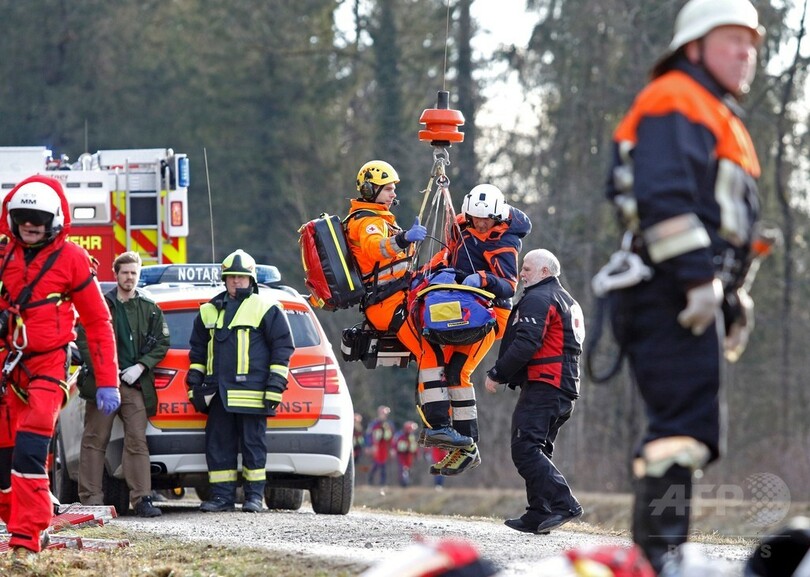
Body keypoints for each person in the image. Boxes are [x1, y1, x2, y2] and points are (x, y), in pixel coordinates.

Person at [603, 0, 764, 571]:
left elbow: (721, 217)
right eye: (731, 40)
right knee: (679, 428)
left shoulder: (713, 110)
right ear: (693, 47)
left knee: (689, 428)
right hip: (668, 286)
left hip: (684, 285)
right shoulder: (676, 98)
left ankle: (664, 550)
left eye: (750, 43)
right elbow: (665, 196)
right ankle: (659, 554)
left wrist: (730, 292)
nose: (745, 53)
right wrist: (699, 279)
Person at [0, 175, 120, 557]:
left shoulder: (72, 259)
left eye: (37, 218)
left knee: (30, 449)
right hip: (7, 366)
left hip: (49, 364)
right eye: (22, 218)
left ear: (53, 220)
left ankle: (27, 537)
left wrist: (108, 380)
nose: (29, 225)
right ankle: (23, 522)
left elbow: (98, 323)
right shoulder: (4, 255)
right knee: (4, 463)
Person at [346, 160, 473, 455]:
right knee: (429, 352)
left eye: (393, 189)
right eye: (388, 189)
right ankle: (438, 425)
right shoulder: (367, 222)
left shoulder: (380, 218)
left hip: (396, 298)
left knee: (431, 349)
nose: (393, 194)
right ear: (370, 190)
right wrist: (403, 238)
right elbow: (375, 248)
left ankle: (438, 422)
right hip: (386, 304)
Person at [426, 184, 531, 477]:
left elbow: (508, 285)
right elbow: (451, 252)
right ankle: (453, 439)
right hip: (462, 307)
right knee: (440, 367)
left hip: (489, 314)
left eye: (486, 220)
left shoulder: (505, 242)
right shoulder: (463, 224)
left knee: (458, 371)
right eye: (476, 218)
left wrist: (482, 278)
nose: (481, 224)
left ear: (496, 217)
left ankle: (468, 445)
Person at [484, 249, 585, 535]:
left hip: (546, 385)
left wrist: (498, 373)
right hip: (564, 387)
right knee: (538, 448)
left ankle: (564, 504)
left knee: (525, 448)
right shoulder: (567, 300)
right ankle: (539, 512)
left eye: (527, 268)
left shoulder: (539, 298)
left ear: (545, 272)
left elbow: (527, 343)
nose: (522, 273)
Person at [187, 249, 294, 513]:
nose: (236, 281)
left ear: (251, 280)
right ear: (225, 279)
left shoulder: (265, 307)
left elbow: (282, 348)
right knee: (218, 446)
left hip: (252, 393)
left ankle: (253, 497)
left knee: (253, 447)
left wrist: (275, 386)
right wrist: (194, 382)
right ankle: (221, 497)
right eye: (232, 277)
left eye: (241, 277)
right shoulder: (208, 311)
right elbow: (198, 351)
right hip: (218, 394)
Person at [76, 251, 170, 518]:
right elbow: (84, 340)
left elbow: (162, 342)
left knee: (137, 441)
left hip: (134, 384)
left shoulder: (149, 307)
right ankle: (92, 501)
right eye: (125, 272)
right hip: (102, 385)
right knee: (94, 440)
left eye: (134, 273)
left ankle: (142, 499)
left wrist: (141, 366)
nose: (130, 277)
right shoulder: (100, 305)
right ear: (116, 274)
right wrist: (106, 370)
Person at [365, 405, 394, 486]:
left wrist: (392, 448)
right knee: (377, 464)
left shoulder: (389, 425)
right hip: (376, 447)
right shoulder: (373, 424)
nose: (384, 415)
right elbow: (368, 435)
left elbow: (391, 437)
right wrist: (369, 446)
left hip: (385, 448)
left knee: (383, 464)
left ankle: (382, 482)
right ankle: (371, 479)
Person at [392, 420, 419, 487]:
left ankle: (407, 481)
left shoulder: (412, 437)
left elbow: (414, 446)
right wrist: (394, 450)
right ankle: (403, 482)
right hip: (401, 455)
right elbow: (395, 444)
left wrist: (416, 454)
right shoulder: (400, 435)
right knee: (402, 468)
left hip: (409, 455)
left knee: (408, 468)